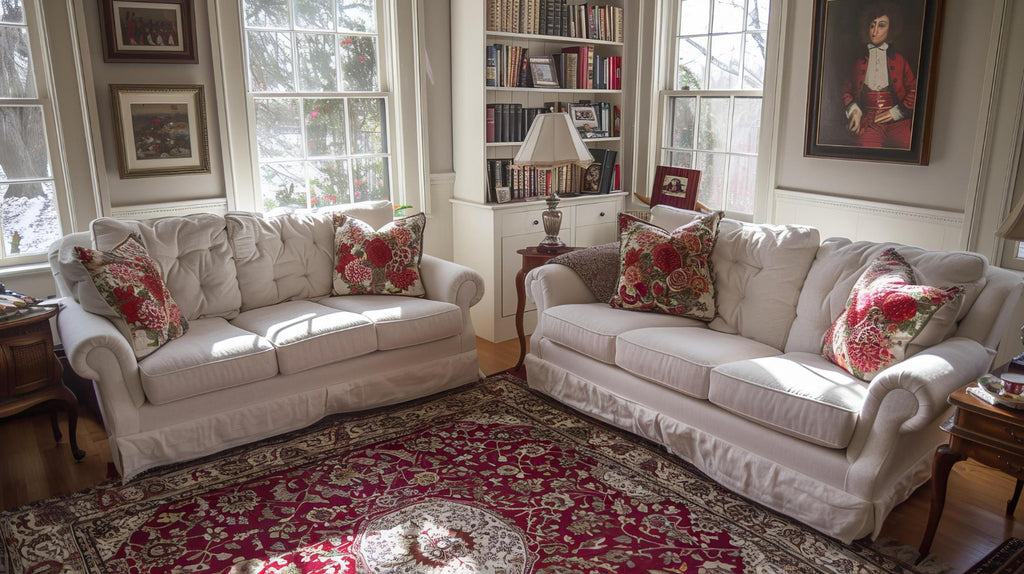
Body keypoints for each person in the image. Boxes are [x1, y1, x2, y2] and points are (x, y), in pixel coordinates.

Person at [840, 2, 917, 149]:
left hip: (898, 123)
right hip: (869, 121)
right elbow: (846, 91)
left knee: (907, 147)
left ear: (891, 28)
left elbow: (914, 90)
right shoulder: (857, 62)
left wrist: (897, 112)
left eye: (881, 25)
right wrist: (854, 110)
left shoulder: (900, 61)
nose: (875, 31)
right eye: (872, 25)